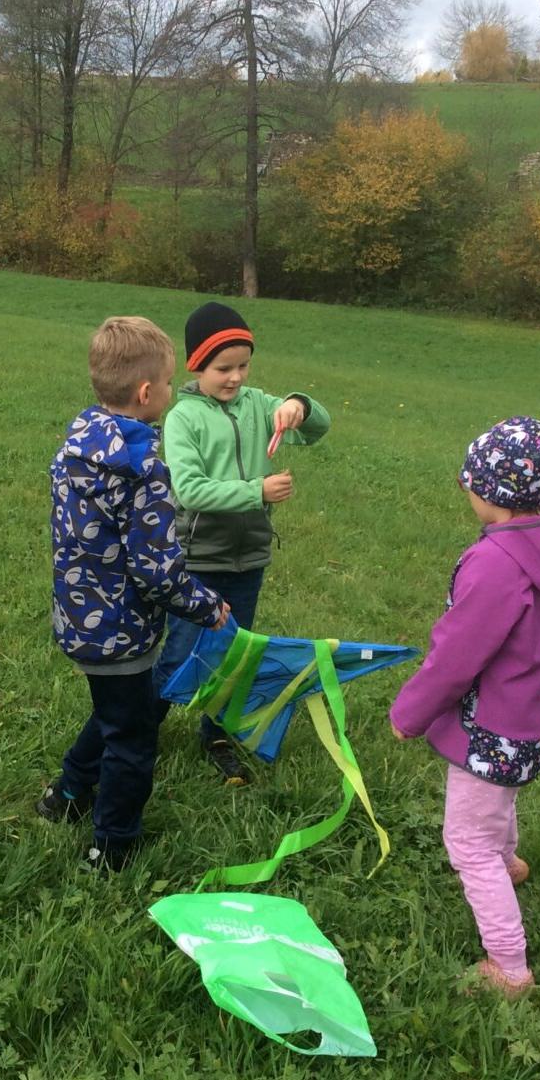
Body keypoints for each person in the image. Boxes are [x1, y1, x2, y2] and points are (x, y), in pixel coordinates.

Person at [389, 416, 540, 998]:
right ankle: (510, 863)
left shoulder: (497, 563)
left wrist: (409, 713)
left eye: (468, 482)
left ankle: (508, 966)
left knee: (467, 842)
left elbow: (456, 654)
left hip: (490, 724)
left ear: (488, 491)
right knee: (495, 802)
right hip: (528, 715)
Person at [38, 316, 229, 870]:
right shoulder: (144, 467)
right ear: (147, 393)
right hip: (120, 628)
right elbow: (157, 571)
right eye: (169, 384)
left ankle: (66, 795)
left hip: (78, 617)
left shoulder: (75, 445)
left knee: (118, 710)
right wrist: (207, 606)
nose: (170, 393)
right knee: (132, 737)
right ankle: (113, 844)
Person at [151, 302, 330, 784]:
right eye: (222, 368)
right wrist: (257, 491)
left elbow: (317, 428)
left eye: (242, 365)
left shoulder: (256, 404)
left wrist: (298, 405)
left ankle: (216, 732)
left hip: (248, 558)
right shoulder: (183, 417)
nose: (234, 378)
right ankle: (144, 728)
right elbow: (189, 490)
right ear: (198, 366)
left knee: (235, 654)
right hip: (199, 560)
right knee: (183, 652)